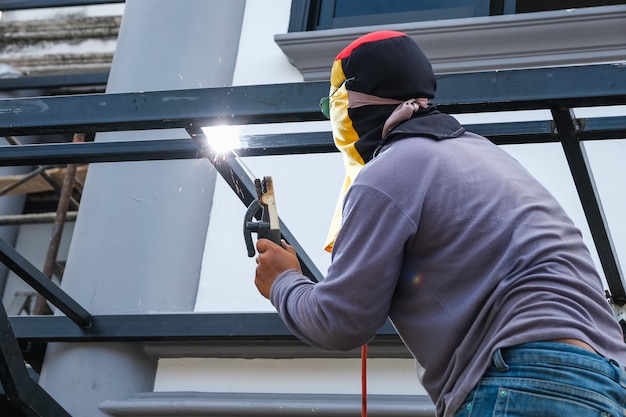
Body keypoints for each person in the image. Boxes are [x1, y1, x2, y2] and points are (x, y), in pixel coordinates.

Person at [254, 30, 626, 417]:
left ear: (352, 103)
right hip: (606, 385)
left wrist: (283, 281)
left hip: (519, 378)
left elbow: (341, 320)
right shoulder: (482, 153)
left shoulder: (391, 171)